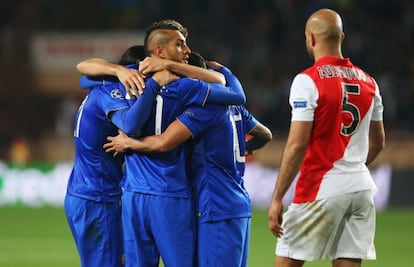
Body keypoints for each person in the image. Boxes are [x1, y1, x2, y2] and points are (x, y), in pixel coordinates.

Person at [77, 20, 247, 267]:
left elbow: (84, 75)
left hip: (134, 195)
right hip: (170, 194)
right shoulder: (187, 86)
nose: (187, 51)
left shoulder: (130, 78)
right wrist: (225, 72)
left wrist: (119, 71)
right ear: (159, 51)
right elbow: (233, 93)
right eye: (180, 45)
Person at [104, 53, 273, 267]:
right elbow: (265, 134)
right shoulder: (236, 107)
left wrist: (130, 144)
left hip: (214, 204)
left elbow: (165, 142)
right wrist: (245, 149)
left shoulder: (204, 109)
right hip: (238, 203)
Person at [267, 8, 385, 267]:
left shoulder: (306, 81)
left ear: (310, 38)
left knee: (287, 261)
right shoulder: (370, 83)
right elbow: (378, 143)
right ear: (341, 38)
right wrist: (351, 170)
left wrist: (277, 198)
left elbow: (297, 144)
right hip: (361, 188)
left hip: (320, 185)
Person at [64, 45, 179, 267]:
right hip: (98, 197)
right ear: (137, 71)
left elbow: (83, 71)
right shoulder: (112, 92)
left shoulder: (98, 84)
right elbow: (130, 124)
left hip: (84, 192)